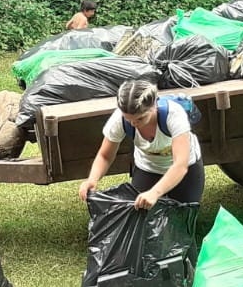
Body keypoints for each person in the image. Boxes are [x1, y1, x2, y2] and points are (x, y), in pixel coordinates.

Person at [78, 79, 205, 208]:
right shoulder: (119, 119)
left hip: (187, 168)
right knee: (140, 213)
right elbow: (105, 156)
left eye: (140, 118)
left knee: (183, 214)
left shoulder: (173, 114)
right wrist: (92, 179)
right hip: (148, 167)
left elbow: (180, 165)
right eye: (128, 119)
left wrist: (155, 193)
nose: (133, 123)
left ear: (154, 105)